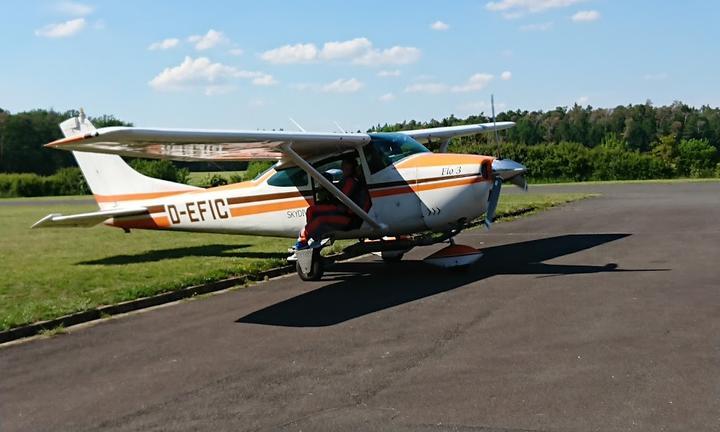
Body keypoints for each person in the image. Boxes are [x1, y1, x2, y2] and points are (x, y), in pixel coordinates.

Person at [295, 156, 371, 250]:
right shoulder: (348, 179)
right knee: (311, 210)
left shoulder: (351, 181)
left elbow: (342, 197)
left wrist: (328, 194)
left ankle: (302, 241)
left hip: (350, 218)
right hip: (344, 212)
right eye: (343, 165)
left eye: (346, 165)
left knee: (320, 219)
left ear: (352, 167)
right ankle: (312, 235)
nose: (343, 167)